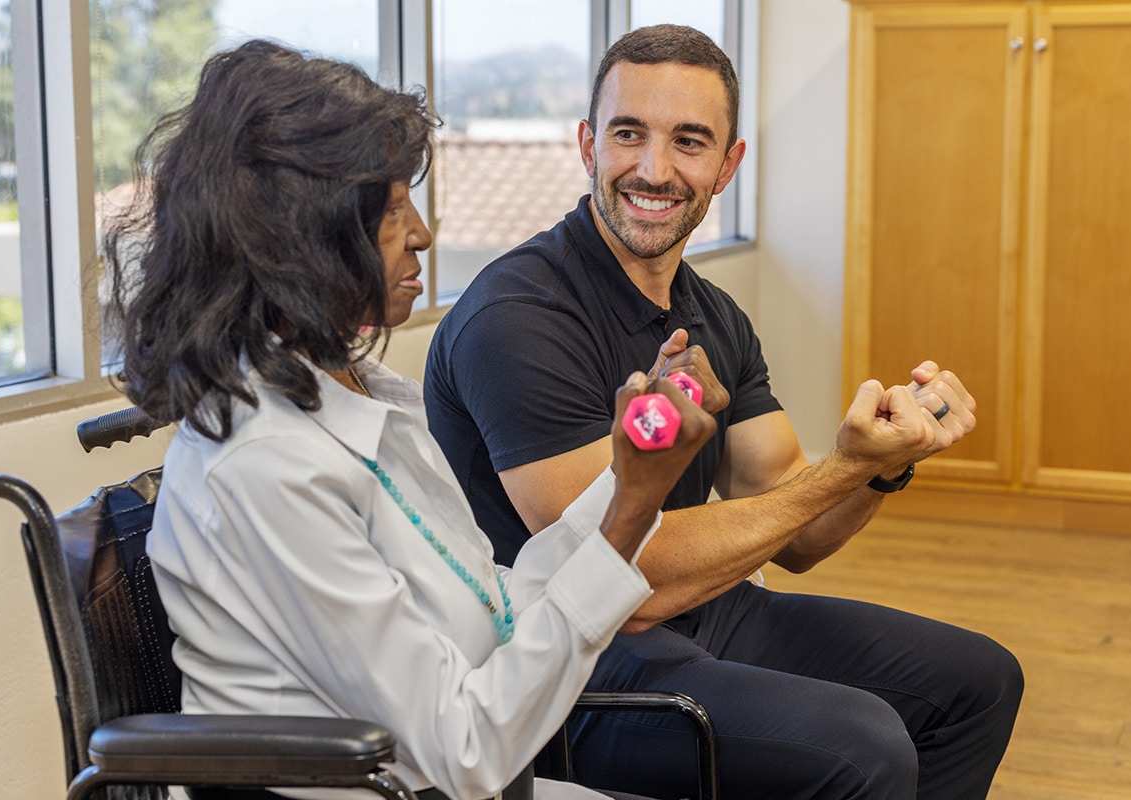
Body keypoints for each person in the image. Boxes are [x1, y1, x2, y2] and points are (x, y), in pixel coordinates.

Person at [103, 39, 717, 800]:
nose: (422, 235)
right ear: (301, 234)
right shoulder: (267, 464)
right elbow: (462, 751)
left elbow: (492, 603)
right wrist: (626, 514)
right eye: (394, 211)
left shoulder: (364, 393)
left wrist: (629, 475)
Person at [424, 24, 1024, 800]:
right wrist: (841, 470)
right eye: (628, 134)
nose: (654, 167)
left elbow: (799, 535)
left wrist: (881, 465)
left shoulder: (716, 317)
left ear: (729, 164)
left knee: (978, 682)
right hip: (566, 661)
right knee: (862, 745)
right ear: (587, 145)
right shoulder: (517, 315)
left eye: (690, 141)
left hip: (704, 614)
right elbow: (611, 565)